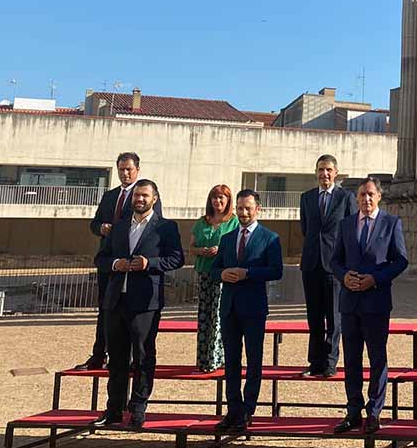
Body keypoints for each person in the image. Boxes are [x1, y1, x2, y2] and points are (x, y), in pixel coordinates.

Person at [92, 180, 183, 428]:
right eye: (136, 195)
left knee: (143, 356)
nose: (139, 199)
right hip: (115, 300)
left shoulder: (166, 227)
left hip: (145, 302)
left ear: (155, 198)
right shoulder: (120, 227)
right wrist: (114, 264)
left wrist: (149, 263)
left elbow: (177, 259)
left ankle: (139, 407)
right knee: (117, 358)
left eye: (144, 195)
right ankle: (114, 410)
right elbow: (100, 258)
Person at [330, 178, 408, 434]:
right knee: (351, 360)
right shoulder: (346, 225)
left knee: (377, 359)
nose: (366, 199)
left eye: (370, 194)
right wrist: (344, 277)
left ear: (379, 197)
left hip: (376, 301)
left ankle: (374, 412)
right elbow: (335, 261)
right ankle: (353, 411)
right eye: (362, 195)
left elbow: (400, 260)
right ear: (356, 198)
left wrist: (376, 278)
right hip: (350, 303)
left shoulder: (391, 223)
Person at [77, 151, 161, 370]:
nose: (125, 173)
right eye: (121, 169)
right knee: (105, 308)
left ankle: (132, 358)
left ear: (137, 170)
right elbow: (94, 223)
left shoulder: (145, 195)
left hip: (133, 265)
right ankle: (98, 354)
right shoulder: (109, 196)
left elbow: (154, 227)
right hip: (109, 260)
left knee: (131, 314)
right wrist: (101, 228)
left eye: (129, 169)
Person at [210, 189, 283, 434]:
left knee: (254, 361)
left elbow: (276, 270)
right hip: (229, 307)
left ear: (257, 209)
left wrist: (248, 273)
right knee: (231, 362)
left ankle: (247, 409)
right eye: (240, 208)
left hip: (253, 308)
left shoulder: (269, 238)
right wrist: (222, 274)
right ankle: (233, 409)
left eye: (247, 208)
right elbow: (213, 268)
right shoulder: (228, 238)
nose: (243, 213)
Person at [300, 154, 357, 377]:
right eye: (321, 170)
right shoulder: (306, 198)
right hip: (311, 263)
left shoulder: (346, 197)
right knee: (314, 317)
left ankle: (330, 363)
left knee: (334, 317)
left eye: (329, 170)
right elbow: (305, 228)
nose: (324, 174)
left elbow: (351, 231)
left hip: (334, 265)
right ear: (316, 172)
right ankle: (315, 362)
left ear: (336, 173)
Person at [189, 184, 238, 372]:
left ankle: (216, 358)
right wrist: (201, 251)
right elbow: (191, 247)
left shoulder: (233, 222)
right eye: (214, 198)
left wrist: (221, 250)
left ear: (227, 201)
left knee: (218, 316)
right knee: (204, 317)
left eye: (221, 198)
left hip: (223, 276)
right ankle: (203, 359)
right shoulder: (203, 222)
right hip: (205, 272)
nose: (217, 201)